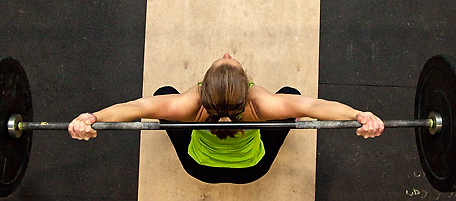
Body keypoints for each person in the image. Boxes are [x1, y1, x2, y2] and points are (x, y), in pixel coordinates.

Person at [68, 51, 384, 184]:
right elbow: (315, 106)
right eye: (228, 60)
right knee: (292, 98)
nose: (227, 54)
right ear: (246, 87)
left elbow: (135, 108)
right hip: (252, 170)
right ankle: (285, 120)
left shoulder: (187, 106)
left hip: (198, 168)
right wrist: (360, 115)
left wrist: (91, 118)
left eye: (225, 60)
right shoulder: (262, 105)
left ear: (204, 86)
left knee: (163, 95)